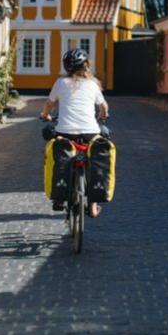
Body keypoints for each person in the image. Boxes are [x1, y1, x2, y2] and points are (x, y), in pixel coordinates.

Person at [41, 47, 110, 216]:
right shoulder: (93, 84)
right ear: (86, 66)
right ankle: (93, 205)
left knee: (59, 155)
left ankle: (59, 197)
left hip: (65, 133)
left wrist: (45, 115)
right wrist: (103, 115)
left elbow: (49, 104)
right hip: (90, 133)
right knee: (94, 157)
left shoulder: (60, 83)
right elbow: (103, 107)